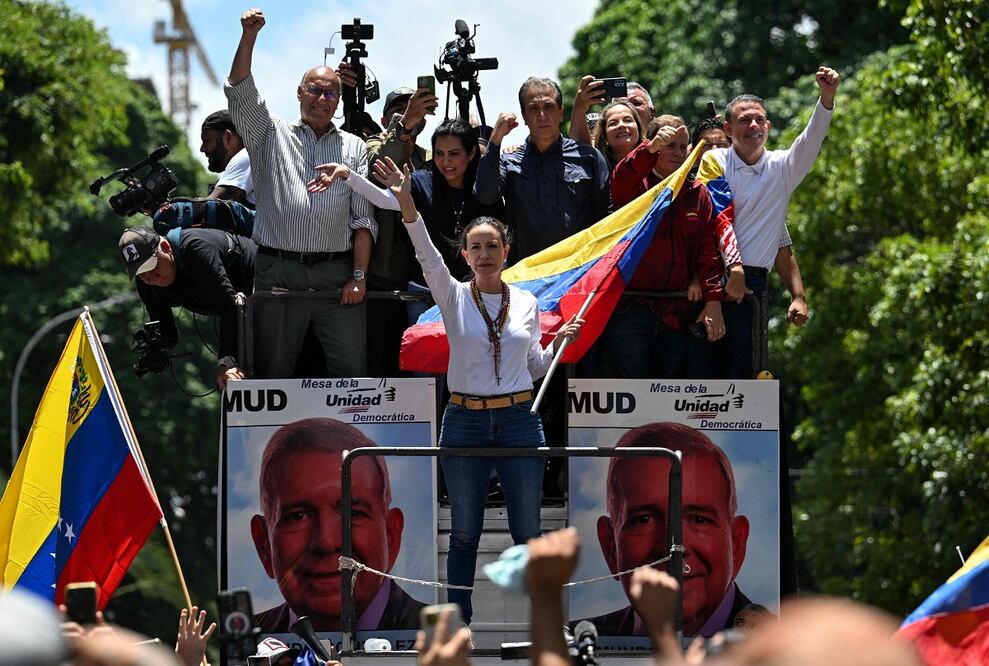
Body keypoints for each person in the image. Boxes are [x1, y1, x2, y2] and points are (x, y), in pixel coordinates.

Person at [380, 155, 583, 625]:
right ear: (465, 255)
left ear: (506, 251)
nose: (485, 253)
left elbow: (533, 367)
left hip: (518, 420)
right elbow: (424, 251)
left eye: (492, 245)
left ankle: (544, 625)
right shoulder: (451, 295)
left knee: (528, 531)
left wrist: (560, 346)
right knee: (466, 532)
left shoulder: (529, 302)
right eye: (476, 247)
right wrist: (407, 202)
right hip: (465, 419)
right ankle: (461, 624)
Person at [225, 9, 375, 379]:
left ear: (338, 101)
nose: (322, 99)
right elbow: (239, 90)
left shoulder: (355, 147)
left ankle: (350, 439)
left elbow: (364, 220)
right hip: (279, 271)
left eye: (330, 92)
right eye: (314, 89)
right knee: (273, 371)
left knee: (352, 373)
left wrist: (358, 275)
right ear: (299, 93)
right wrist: (249, 36)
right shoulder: (270, 135)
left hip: (337, 275)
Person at [698, 67, 840, 378]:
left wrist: (826, 98)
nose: (753, 125)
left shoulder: (782, 168)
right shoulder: (714, 160)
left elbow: (811, 140)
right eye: (744, 120)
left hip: (754, 285)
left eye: (759, 119)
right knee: (703, 375)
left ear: (769, 126)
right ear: (728, 128)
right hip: (711, 276)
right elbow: (715, 219)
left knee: (747, 375)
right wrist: (732, 268)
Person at [311, 119, 505, 321]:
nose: (446, 162)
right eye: (439, 154)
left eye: (454, 154)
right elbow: (384, 199)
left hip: (472, 294)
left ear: (471, 153)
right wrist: (347, 175)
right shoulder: (421, 182)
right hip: (423, 294)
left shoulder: (483, 189)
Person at [582, 116, 729, 379]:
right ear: (653, 145)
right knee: (632, 391)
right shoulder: (637, 186)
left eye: (683, 147)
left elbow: (708, 250)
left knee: (671, 392)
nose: (677, 152)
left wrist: (713, 299)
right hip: (631, 307)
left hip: (678, 311)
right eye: (669, 145)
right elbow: (620, 179)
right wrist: (647, 150)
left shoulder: (698, 192)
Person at [250, 417, 425, 632]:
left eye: (352, 513)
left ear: (391, 536)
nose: (327, 541)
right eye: (298, 516)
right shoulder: (246, 641)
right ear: (264, 545)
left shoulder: (439, 640)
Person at [587, 422, 751, 637]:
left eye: (699, 519)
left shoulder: (783, 649)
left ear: (736, 543)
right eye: (644, 519)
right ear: (610, 547)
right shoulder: (573, 641)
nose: (673, 546)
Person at [474, 76, 610, 262]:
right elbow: (485, 195)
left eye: (549, 106)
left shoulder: (588, 157)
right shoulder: (509, 160)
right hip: (527, 278)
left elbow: (606, 216)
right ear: (524, 116)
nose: (542, 115)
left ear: (561, 112)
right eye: (533, 108)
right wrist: (496, 139)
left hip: (577, 272)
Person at [117, 226, 254, 389]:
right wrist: (154, 350)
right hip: (238, 309)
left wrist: (227, 362)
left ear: (166, 248)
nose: (149, 277)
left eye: (151, 266)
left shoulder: (196, 249)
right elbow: (168, 334)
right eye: (141, 273)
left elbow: (228, 308)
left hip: (263, 286)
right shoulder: (147, 283)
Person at [200, 109, 256, 206]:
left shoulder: (248, 155)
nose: (202, 148)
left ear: (227, 137)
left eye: (207, 140)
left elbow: (209, 207)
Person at [590, 101, 645, 172]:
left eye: (628, 120)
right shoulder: (595, 170)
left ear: (638, 128)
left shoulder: (655, 161)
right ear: (604, 135)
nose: (621, 125)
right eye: (613, 123)